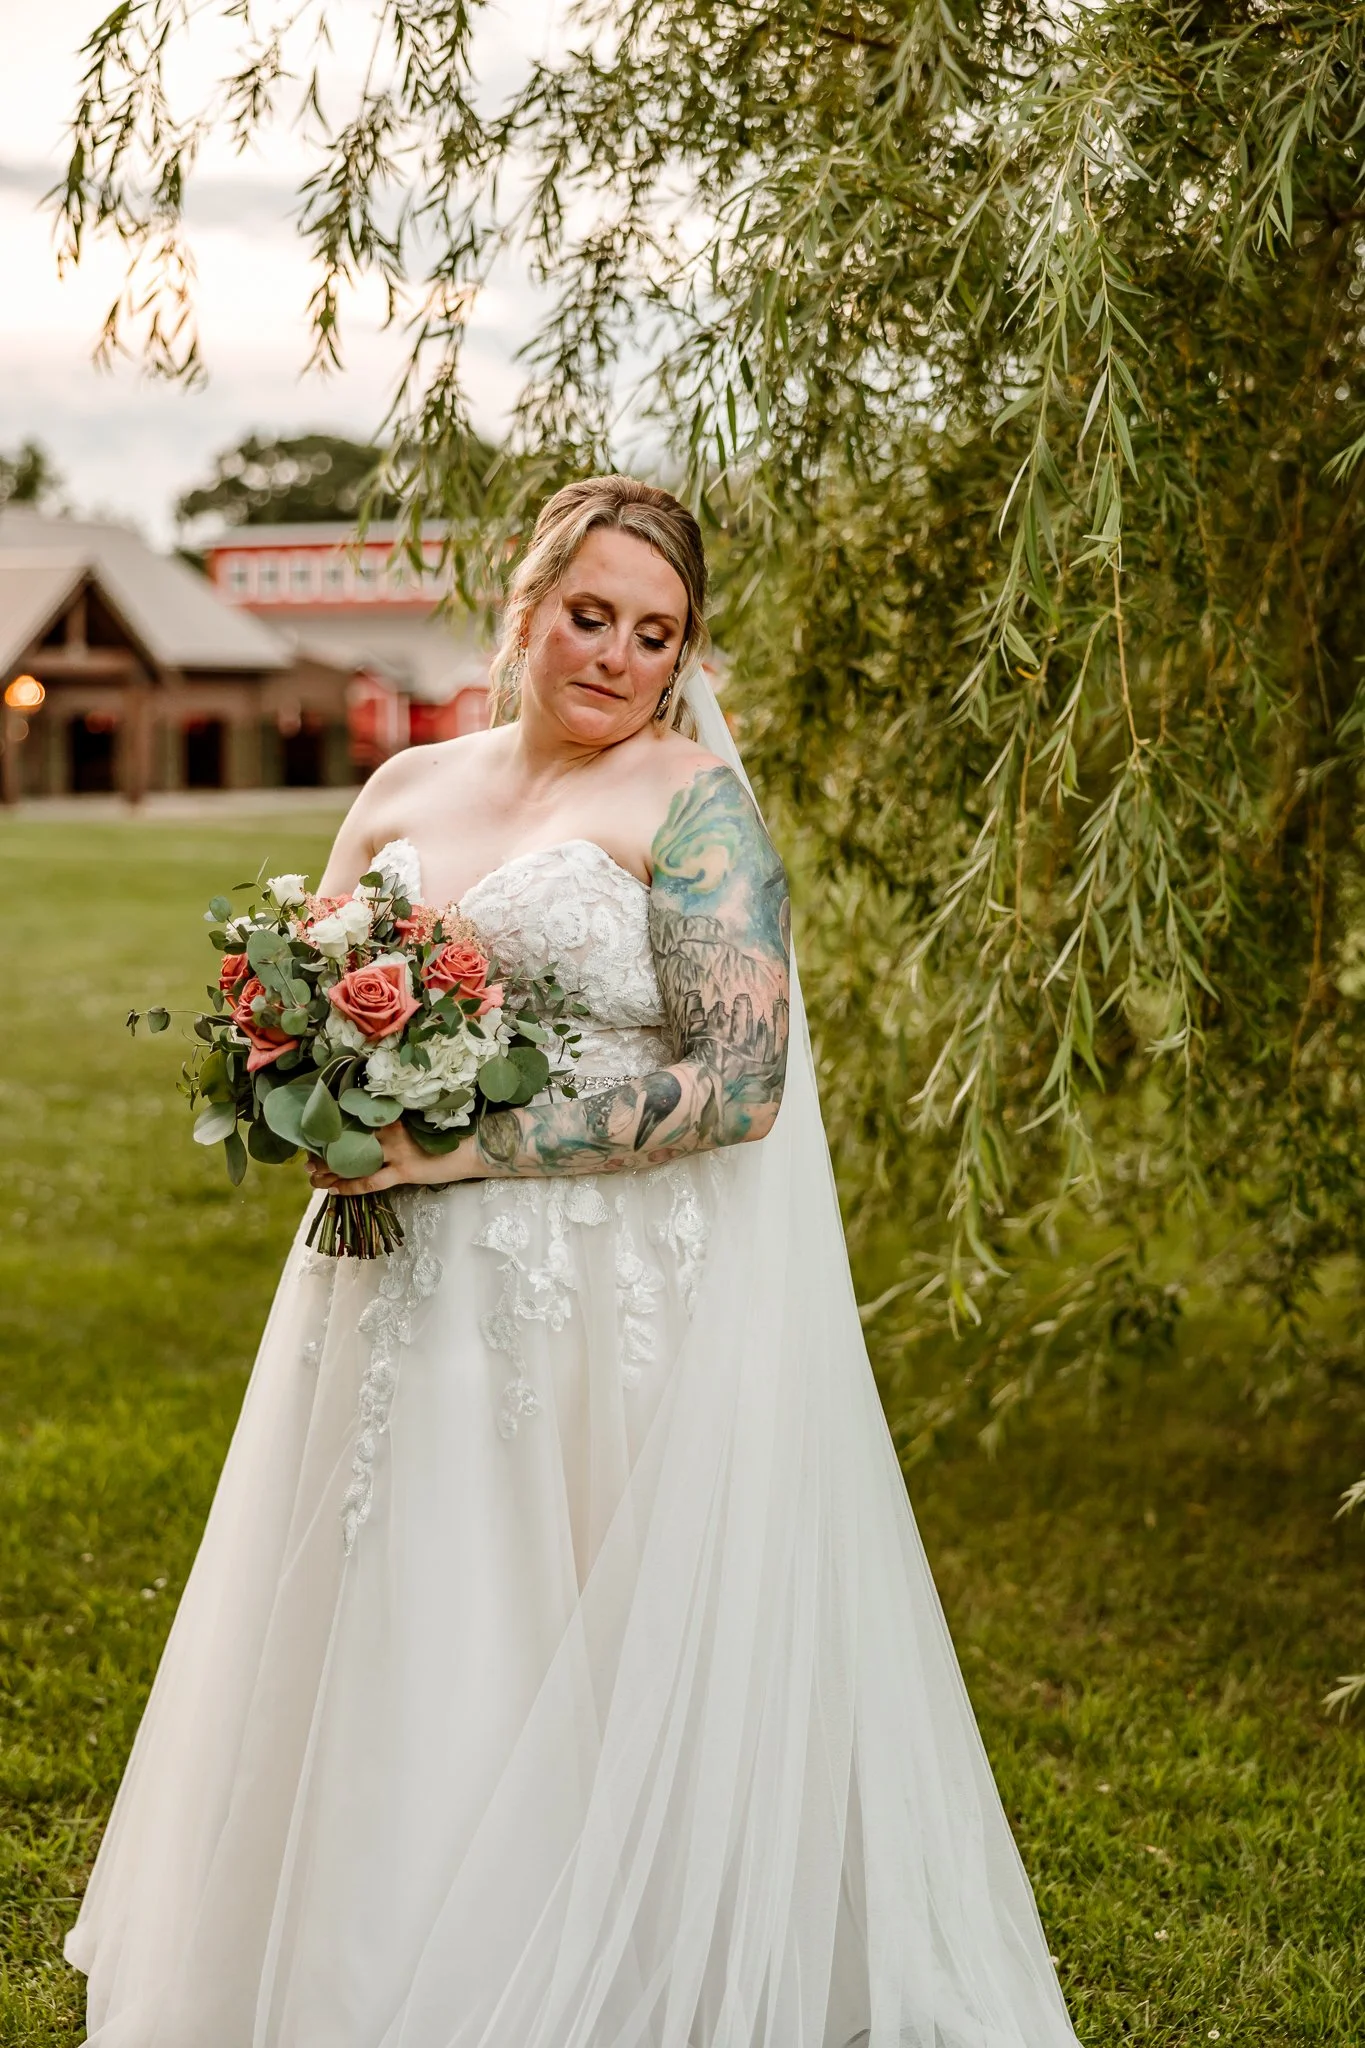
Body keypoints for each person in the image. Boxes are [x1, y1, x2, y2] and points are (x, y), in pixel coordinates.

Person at [66, 476, 1083, 2047]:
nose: (613, 655)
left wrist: (476, 1144)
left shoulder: (690, 808)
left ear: (682, 659)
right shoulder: (405, 785)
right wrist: (320, 1092)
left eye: (653, 633)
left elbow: (741, 1084)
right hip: (391, 1274)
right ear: (527, 604)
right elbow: (307, 992)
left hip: (603, 1294)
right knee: (398, 1608)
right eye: (589, 614)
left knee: (575, 1620)